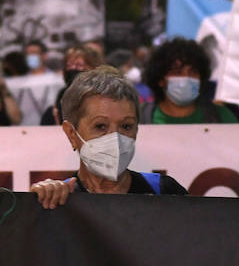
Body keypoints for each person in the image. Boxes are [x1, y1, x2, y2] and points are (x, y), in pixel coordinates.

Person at [31, 66, 186, 208]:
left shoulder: (163, 191)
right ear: (71, 134)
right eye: (100, 126)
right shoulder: (58, 199)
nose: (115, 138)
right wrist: (34, 204)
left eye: (126, 126)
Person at [140, 37, 239, 124]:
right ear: (160, 80)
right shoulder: (139, 118)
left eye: (193, 72)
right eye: (177, 72)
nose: (186, 77)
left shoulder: (222, 117)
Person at [39, 44, 103, 125]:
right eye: (68, 65)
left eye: (79, 65)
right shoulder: (63, 93)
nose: (72, 69)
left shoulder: (102, 93)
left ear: (93, 68)